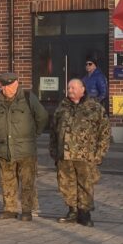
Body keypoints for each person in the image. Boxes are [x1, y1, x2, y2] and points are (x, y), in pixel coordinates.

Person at [50, 79, 110, 227]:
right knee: (66, 184)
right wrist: (54, 151)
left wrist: (99, 154)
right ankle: (72, 211)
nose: (70, 90)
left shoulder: (94, 108)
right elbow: (53, 131)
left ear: (83, 89)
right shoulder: (62, 108)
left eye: (73, 88)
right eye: (69, 87)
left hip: (85, 155)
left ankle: (84, 213)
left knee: (85, 184)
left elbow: (105, 133)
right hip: (65, 155)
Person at [0, 72, 48, 221]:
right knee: (7, 180)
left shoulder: (29, 98)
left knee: (27, 181)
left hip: (25, 149)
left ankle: (26, 210)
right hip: (5, 148)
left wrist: (35, 133)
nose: (6, 89)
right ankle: (9, 209)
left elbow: (42, 116)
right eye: (3, 86)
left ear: (17, 83)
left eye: (9, 86)